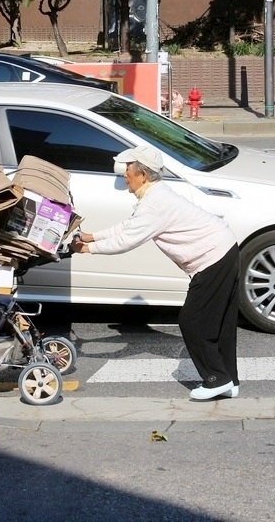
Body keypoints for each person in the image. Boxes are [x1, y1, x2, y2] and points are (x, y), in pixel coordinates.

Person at [71, 145, 241, 400]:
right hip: (224, 249)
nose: (124, 174)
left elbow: (127, 240)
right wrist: (91, 236)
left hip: (212, 258)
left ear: (143, 174)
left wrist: (87, 249)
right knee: (221, 323)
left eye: (128, 168)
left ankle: (216, 378)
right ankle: (229, 381)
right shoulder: (156, 195)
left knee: (192, 321)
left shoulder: (154, 203)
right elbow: (129, 225)